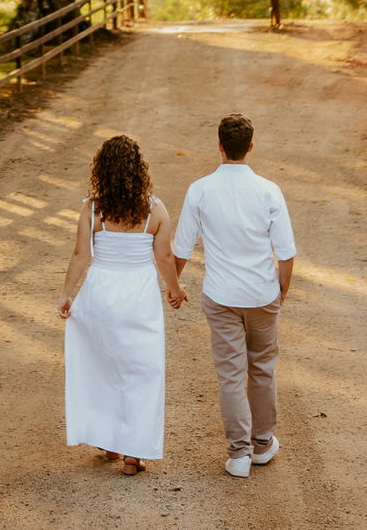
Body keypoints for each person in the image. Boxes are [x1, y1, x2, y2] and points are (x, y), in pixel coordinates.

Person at [173, 112, 296, 479]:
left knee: (230, 374)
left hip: (221, 296)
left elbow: (181, 247)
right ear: (251, 147)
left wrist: (173, 285)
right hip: (262, 294)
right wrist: (281, 290)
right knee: (262, 368)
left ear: (220, 146)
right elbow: (286, 252)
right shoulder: (269, 191)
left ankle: (238, 454)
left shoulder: (200, 190)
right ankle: (262, 445)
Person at [59, 134, 188, 475]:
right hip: (139, 295)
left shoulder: (93, 209)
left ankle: (111, 443)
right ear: (139, 169)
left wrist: (67, 293)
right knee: (141, 370)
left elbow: (81, 254)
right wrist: (175, 289)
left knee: (103, 365)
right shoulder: (155, 210)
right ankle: (133, 452)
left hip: (101, 291)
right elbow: (163, 257)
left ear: (102, 170)